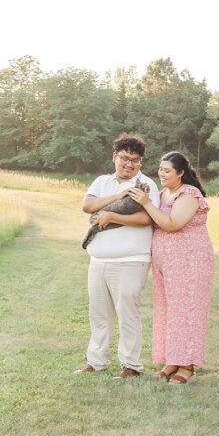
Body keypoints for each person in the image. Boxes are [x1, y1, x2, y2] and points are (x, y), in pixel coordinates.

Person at [75, 134, 160, 378]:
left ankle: (131, 366)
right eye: (124, 158)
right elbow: (87, 206)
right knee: (99, 314)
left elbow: (147, 218)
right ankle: (96, 362)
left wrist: (112, 216)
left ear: (140, 163)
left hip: (131, 260)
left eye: (135, 160)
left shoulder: (147, 185)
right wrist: (117, 197)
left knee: (127, 313)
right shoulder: (102, 181)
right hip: (99, 260)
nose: (129, 164)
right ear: (115, 157)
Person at [129, 150, 214, 385]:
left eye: (167, 170)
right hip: (166, 264)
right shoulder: (163, 193)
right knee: (167, 310)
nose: (161, 173)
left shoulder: (189, 194)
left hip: (190, 261)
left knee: (187, 311)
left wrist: (146, 203)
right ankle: (171, 361)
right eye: (160, 169)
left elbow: (173, 224)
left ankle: (186, 366)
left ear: (181, 173)